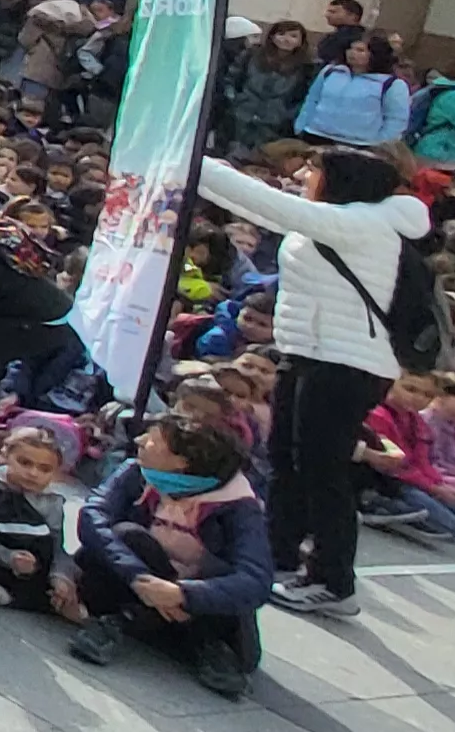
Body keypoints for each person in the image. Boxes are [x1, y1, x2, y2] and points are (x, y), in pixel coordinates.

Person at [191, 146, 433, 618]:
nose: (302, 174)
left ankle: (334, 581)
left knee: (324, 471)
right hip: (307, 354)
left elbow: (268, 206)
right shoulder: (339, 218)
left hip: (349, 363)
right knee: (286, 459)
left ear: (340, 181)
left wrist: (190, 160)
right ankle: (277, 555)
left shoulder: (365, 224)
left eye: (313, 170)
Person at [67, 417, 272, 698]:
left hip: (197, 602)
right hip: (138, 582)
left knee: (223, 572)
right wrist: (138, 577)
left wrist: (182, 594)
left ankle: (201, 642)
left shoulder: (239, 506)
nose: (140, 441)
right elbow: (93, 517)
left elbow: (256, 579)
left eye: (152, 440)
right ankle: (125, 619)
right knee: (127, 536)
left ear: (181, 462)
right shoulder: (137, 472)